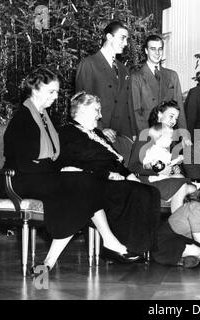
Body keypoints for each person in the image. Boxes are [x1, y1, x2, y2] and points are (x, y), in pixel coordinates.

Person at [0, 67, 136, 271]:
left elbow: (53, 159)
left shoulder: (45, 119)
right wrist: (62, 172)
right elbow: (22, 161)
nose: (55, 97)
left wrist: (66, 169)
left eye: (57, 92)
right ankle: (108, 241)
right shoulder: (22, 118)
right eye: (51, 92)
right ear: (35, 90)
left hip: (40, 177)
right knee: (84, 184)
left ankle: (48, 264)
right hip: (19, 178)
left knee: (86, 186)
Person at [58, 92, 162, 256]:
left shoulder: (98, 134)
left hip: (113, 179)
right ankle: (120, 249)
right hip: (94, 183)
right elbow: (77, 163)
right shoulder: (67, 133)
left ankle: (143, 248)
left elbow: (115, 161)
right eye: (97, 110)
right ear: (82, 110)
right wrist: (108, 174)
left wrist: (130, 175)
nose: (100, 116)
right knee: (135, 192)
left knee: (151, 191)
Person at [75, 21, 136, 164]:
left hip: (120, 139)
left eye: (127, 39)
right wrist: (100, 129)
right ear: (109, 37)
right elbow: (81, 105)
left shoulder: (123, 69)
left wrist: (130, 137)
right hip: (96, 137)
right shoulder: (89, 64)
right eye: (123, 38)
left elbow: (126, 106)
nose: (126, 43)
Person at [128, 100, 196, 213]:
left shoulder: (170, 138)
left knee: (192, 188)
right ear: (159, 114)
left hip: (165, 179)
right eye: (171, 116)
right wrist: (158, 170)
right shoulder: (146, 135)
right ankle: (176, 224)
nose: (174, 121)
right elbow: (133, 166)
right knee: (182, 187)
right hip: (147, 180)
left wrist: (174, 169)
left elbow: (171, 161)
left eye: (176, 118)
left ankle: (184, 223)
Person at [129, 34, 189, 143]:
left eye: (160, 49)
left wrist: (184, 134)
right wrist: (145, 137)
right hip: (148, 134)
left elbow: (179, 106)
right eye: (153, 49)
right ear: (146, 51)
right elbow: (136, 111)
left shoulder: (172, 75)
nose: (157, 53)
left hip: (170, 135)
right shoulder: (136, 77)